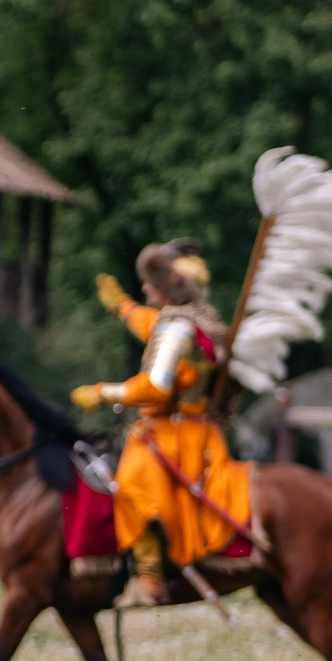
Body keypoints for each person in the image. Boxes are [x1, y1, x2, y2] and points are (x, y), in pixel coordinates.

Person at [70, 238, 249, 607]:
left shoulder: (176, 330)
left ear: (168, 288)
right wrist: (122, 307)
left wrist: (103, 392)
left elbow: (155, 386)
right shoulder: (198, 322)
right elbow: (150, 323)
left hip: (172, 433)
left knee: (131, 487)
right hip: (200, 430)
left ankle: (149, 579)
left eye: (151, 282)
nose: (145, 288)